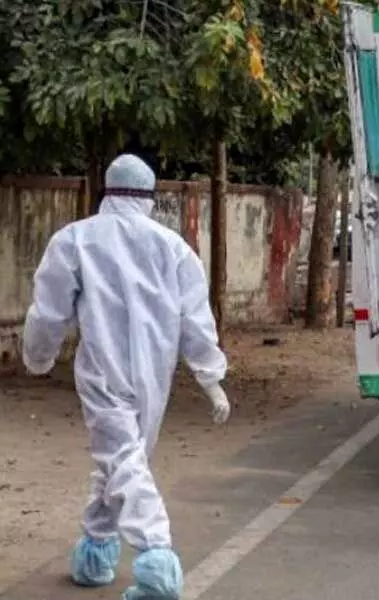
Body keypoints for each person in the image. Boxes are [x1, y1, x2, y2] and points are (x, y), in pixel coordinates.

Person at [21, 154, 231, 598]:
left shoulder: (75, 240)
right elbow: (195, 319)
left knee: (123, 461)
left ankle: (157, 562)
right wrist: (211, 380)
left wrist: (37, 358)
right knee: (124, 459)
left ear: (107, 191)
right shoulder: (173, 247)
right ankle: (97, 547)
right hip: (155, 375)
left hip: (103, 371)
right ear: (150, 196)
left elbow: (48, 310)